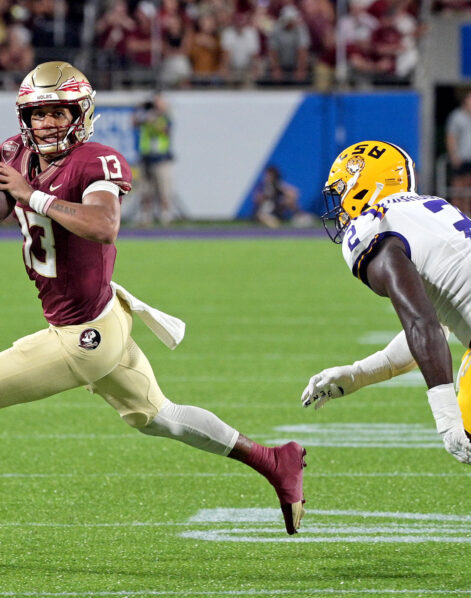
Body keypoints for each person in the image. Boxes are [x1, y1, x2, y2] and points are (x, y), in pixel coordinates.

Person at [0, 61, 306, 536]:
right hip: (101, 316)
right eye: (38, 114)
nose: (47, 124)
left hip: (85, 335)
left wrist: (33, 196)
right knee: (159, 417)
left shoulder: (94, 159)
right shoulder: (19, 153)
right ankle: (273, 460)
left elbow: (104, 225)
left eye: (59, 112)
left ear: (80, 114)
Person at [301, 140, 471, 571]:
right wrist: (358, 374)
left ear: (365, 186)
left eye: (342, 188)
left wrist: (442, 417)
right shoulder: (420, 208)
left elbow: (421, 324)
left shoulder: (376, 228)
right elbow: (434, 326)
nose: (338, 203)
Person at [133, 93, 175, 225]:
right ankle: (146, 217)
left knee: (164, 191)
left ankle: (165, 217)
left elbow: (166, 130)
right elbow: (134, 122)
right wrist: (141, 108)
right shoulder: (145, 116)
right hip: (146, 158)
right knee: (146, 191)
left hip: (161, 159)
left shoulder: (164, 117)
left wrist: (155, 119)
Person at [445, 91, 471, 216]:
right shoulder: (457, 116)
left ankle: (467, 212)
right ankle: (455, 213)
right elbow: (451, 136)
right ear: (466, 101)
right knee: (457, 187)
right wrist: (453, 154)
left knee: (468, 186)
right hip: (460, 157)